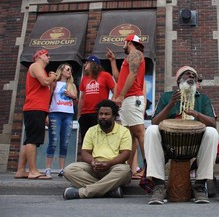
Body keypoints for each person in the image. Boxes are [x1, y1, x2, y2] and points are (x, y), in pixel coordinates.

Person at [144, 66, 219, 204]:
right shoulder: (167, 97)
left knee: (212, 132)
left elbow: (213, 123)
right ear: (179, 80)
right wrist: (171, 104)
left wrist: (196, 114)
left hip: (195, 144)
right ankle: (159, 185)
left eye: (193, 76)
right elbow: (154, 121)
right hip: (168, 144)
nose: (191, 76)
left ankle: (200, 185)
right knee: (151, 130)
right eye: (187, 74)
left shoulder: (203, 98)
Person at [63, 100, 132, 200]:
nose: (103, 116)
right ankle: (109, 190)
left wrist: (109, 164)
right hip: (94, 167)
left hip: (114, 167)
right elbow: (85, 152)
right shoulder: (91, 130)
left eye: (107, 114)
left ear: (114, 116)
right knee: (69, 170)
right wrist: (93, 162)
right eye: (100, 114)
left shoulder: (124, 131)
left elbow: (125, 154)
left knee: (125, 170)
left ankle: (83, 192)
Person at [106, 34, 146, 179]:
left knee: (140, 133)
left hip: (132, 97)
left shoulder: (135, 53)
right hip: (129, 98)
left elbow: (133, 74)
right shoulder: (129, 57)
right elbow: (119, 78)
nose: (123, 44)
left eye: (124, 42)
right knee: (131, 136)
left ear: (129, 42)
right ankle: (130, 169)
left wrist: (121, 95)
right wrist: (112, 61)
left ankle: (149, 169)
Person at [15, 49, 57, 180]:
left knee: (29, 140)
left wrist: (52, 83)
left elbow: (46, 89)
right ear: (39, 56)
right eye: (46, 55)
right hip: (34, 107)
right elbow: (45, 82)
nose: (48, 57)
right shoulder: (36, 66)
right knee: (32, 140)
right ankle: (33, 171)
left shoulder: (42, 71)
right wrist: (51, 77)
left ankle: (21, 170)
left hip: (39, 108)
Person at [45, 63, 77, 177]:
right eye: (67, 69)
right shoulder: (55, 83)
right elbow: (48, 98)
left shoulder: (72, 85)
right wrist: (46, 114)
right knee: (53, 141)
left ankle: (61, 169)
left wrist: (72, 95)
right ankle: (48, 168)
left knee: (65, 143)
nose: (69, 71)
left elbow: (76, 102)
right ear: (61, 71)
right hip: (55, 113)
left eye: (70, 70)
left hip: (68, 114)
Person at [78, 55, 116, 142]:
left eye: (87, 62)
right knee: (86, 140)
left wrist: (111, 107)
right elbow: (82, 98)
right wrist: (79, 116)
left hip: (99, 113)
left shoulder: (105, 75)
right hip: (85, 114)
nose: (85, 65)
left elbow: (115, 91)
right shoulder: (84, 79)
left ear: (93, 64)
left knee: (99, 139)